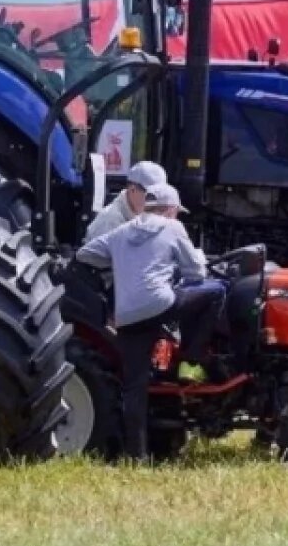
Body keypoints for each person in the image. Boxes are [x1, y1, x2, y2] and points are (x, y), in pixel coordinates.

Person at [76, 182, 226, 459]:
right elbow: (196, 272)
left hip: (128, 316)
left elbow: (84, 254)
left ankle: (138, 456)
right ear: (169, 210)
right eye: (177, 212)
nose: (177, 216)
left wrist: (119, 263)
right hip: (161, 305)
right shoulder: (173, 228)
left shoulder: (120, 232)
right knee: (216, 292)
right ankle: (193, 354)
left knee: (135, 388)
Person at [83, 160, 168, 241]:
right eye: (151, 195)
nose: (156, 201)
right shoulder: (110, 222)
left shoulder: (145, 218)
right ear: (132, 190)